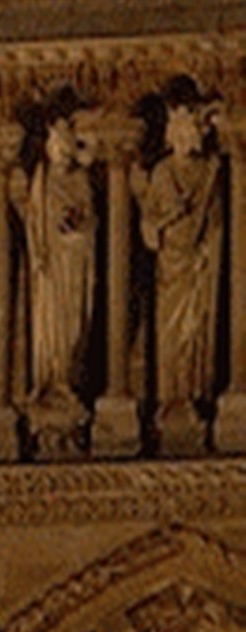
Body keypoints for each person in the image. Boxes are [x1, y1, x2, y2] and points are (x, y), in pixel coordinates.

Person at [132, 89, 222, 418]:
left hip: (199, 265)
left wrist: (207, 250)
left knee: (196, 332)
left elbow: (217, 225)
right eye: (180, 130)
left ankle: (194, 393)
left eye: (191, 129)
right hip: (170, 265)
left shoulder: (209, 172)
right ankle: (170, 396)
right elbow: (148, 226)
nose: (186, 136)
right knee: (170, 332)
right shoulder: (162, 173)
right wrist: (170, 219)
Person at [10, 108, 95, 419]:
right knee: (49, 323)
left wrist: (78, 228)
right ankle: (50, 379)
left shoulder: (81, 179)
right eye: (55, 144)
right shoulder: (41, 181)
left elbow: (90, 220)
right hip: (48, 268)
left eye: (65, 144)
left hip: (74, 262)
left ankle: (67, 379)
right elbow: (33, 222)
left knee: (73, 323)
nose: (60, 151)